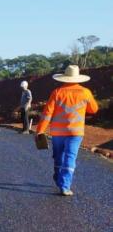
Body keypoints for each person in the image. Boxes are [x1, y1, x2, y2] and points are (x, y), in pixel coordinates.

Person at [35, 65, 98, 196]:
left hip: (57, 132)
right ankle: (65, 186)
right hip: (75, 132)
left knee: (59, 156)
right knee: (70, 156)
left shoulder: (57, 92)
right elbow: (94, 109)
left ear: (64, 78)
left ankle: (59, 177)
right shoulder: (85, 92)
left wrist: (40, 130)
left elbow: (47, 113)